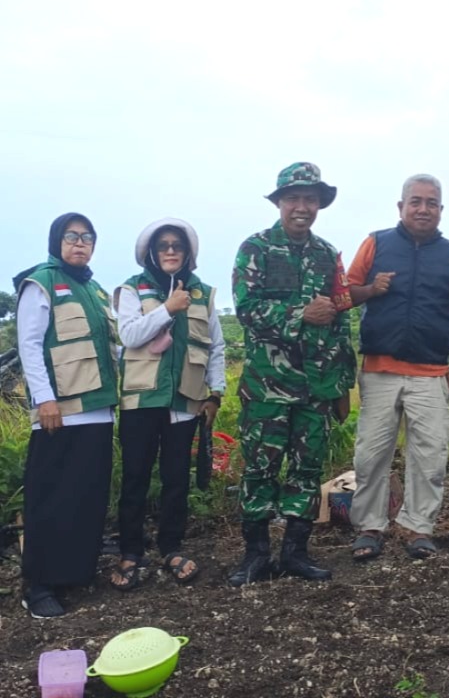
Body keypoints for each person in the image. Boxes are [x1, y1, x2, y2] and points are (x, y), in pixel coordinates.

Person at [229, 162, 356, 586]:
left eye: (310, 199)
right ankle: (256, 556)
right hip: (267, 386)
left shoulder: (327, 254)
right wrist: (300, 313)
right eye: (293, 198)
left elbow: (339, 320)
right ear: (280, 202)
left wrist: (342, 385)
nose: (302, 207)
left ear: (319, 204)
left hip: (315, 387)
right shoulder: (256, 248)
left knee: (307, 469)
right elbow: (246, 311)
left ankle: (296, 553)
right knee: (261, 469)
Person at [347, 174, 449, 561]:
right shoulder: (376, 243)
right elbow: (346, 292)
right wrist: (371, 290)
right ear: (400, 207)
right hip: (379, 369)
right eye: (415, 201)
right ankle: (369, 527)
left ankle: (419, 527)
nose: (423, 209)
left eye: (431, 203)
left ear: (440, 210)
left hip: (432, 373)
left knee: (431, 456)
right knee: (371, 455)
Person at [109, 218, 226, 590]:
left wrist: (215, 393)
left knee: (177, 478)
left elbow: (216, 347)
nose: (171, 251)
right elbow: (128, 336)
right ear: (151, 253)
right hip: (141, 400)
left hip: (184, 400)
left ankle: (172, 547)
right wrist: (168, 309)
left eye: (178, 245)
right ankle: (130, 552)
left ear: (188, 252)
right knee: (136, 477)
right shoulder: (132, 289)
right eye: (164, 246)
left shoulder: (203, 293)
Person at [13, 213, 118, 617]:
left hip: (98, 410)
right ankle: (38, 586)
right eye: (72, 236)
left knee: (86, 496)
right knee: (51, 498)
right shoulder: (40, 283)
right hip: (60, 412)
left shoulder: (93, 289)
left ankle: (73, 574)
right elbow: (30, 344)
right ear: (57, 240)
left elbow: (113, 347)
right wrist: (44, 399)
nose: (80, 243)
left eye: (87, 237)